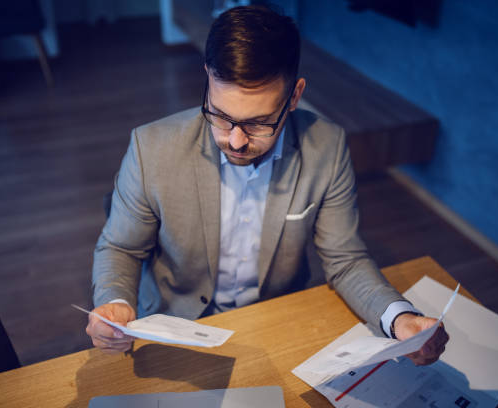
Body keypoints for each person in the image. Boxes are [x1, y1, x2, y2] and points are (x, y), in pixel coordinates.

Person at [86, 5, 448, 365]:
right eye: (221, 117)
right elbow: (121, 246)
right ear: (207, 79)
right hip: (173, 325)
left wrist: (399, 318)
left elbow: (345, 259)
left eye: (258, 123)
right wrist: (116, 303)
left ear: (294, 95)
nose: (237, 141)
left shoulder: (328, 147)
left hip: (275, 322)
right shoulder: (151, 148)